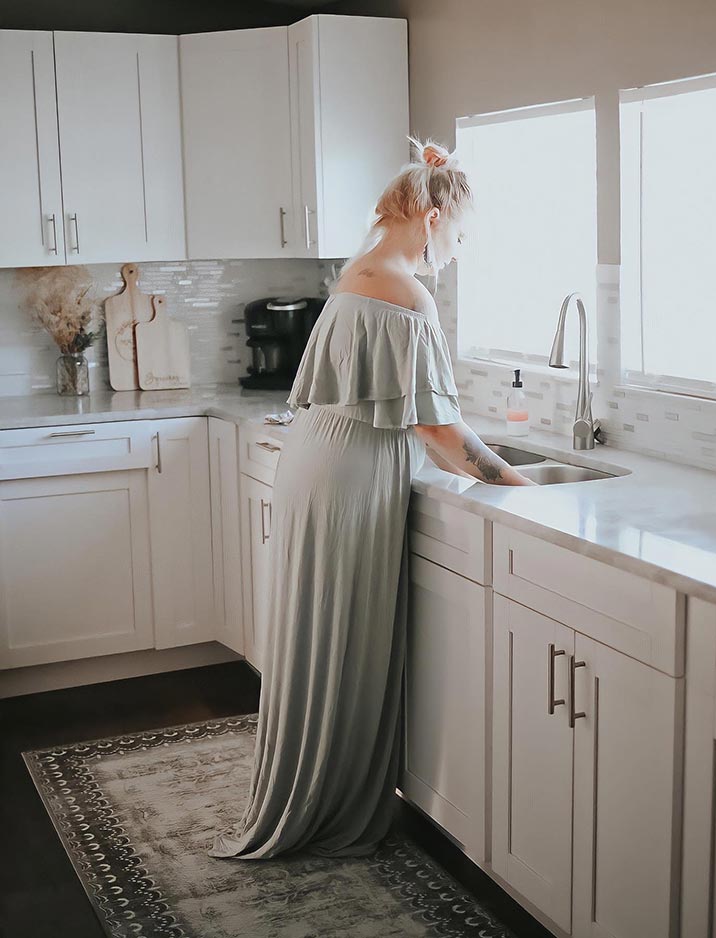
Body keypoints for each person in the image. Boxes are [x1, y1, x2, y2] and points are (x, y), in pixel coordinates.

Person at [208, 137, 534, 864]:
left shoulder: (363, 267)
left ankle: (309, 790)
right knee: (343, 638)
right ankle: (326, 809)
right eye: (458, 230)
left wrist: (431, 172)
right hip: (352, 478)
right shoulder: (405, 293)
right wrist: (524, 487)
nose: (458, 246)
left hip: (320, 463)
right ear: (431, 217)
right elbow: (444, 435)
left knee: (320, 635)